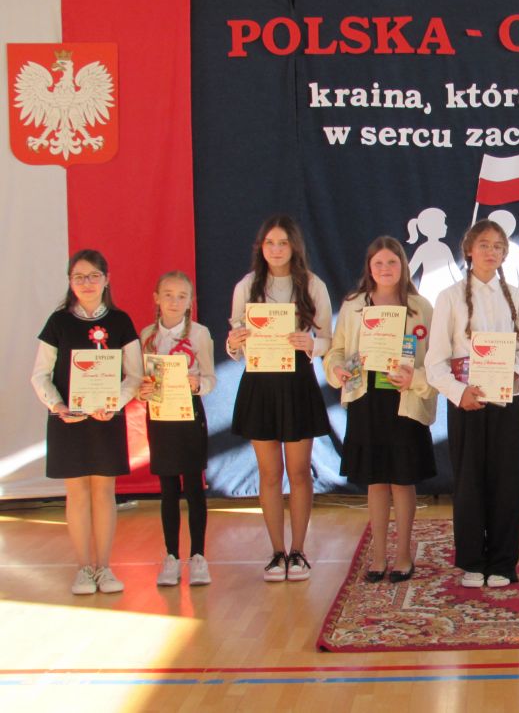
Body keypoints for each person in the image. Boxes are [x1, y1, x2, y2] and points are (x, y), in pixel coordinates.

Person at [426, 219, 519, 589]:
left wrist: (517, 376)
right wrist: (459, 393)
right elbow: (435, 361)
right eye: (484, 244)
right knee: (469, 482)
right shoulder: (449, 297)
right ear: (469, 250)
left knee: (505, 482)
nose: (491, 252)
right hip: (467, 402)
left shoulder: (517, 297)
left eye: (498, 246)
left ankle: (503, 562)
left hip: (506, 403)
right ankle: (472, 561)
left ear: (505, 254)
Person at [325, 237, 437, 584]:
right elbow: (337, 350)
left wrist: (415, 378)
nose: (386, 269)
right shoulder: (354, 305)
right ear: (369, 268)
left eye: (392, 262)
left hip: (403, 400)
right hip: (367, 399)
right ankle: (377, 555)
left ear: (403, 266)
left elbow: (436, 360)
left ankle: (403, 554)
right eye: (379, 264)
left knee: (402, 481)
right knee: (376, 481)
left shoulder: (421, 307)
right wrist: (337, 369)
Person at [226, 215, 332, 582]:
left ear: (294, 247)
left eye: (283, 243)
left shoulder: (312, 285)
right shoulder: (247, 286)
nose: (275, 249)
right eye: (269, 243)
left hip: (297, 382)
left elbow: (328, 339)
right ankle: (276, 552)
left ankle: (299, 551)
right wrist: (234, 343)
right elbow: (235, 339)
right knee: (269, 473)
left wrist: (311, 344)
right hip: (260, 383)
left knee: (299, 472)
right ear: (261, 247)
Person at [31, 250, 142, 594]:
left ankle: (104, 568)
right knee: (77, 494)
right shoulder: (58, 322)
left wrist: (114, 403)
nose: (87, 283)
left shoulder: (121, 322)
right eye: (79, 277)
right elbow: (40, 375)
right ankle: (83, 569)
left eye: (94, 275)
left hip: (107, 419)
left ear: (106, 279)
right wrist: (58, 406)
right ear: (70, 282)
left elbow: (134, 375)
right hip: (69, 422)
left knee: (104, 493)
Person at [138, 271, 216, 587]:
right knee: (168, 488)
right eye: (168, 295)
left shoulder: (199, 334)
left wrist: (198, 384)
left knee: (194, 487)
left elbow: (211, 379)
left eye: (182, 296)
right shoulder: (147, 336)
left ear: (190, 301)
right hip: (159, 416)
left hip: (189, 415)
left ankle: (198, 556)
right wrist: (142, 391)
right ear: (156, 298)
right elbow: (139, 380)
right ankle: (171, 556)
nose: (174, 301)